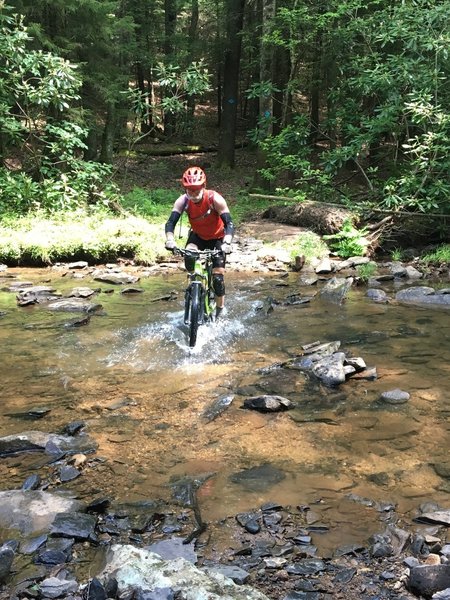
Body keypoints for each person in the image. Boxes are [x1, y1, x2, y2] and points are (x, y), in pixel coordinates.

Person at [165, 166, 234, 318]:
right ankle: (193, 286)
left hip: (218, 239)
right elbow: (170, 223)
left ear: (203, 186)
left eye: (196, 189)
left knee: (217, 278)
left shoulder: (215, 199)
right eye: (190, 190)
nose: (193, 193)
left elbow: (229, 223)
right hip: (198, 236)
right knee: (189, 254)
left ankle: (220, 310)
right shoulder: (183, 201)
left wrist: (227, 242)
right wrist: (170, 239)